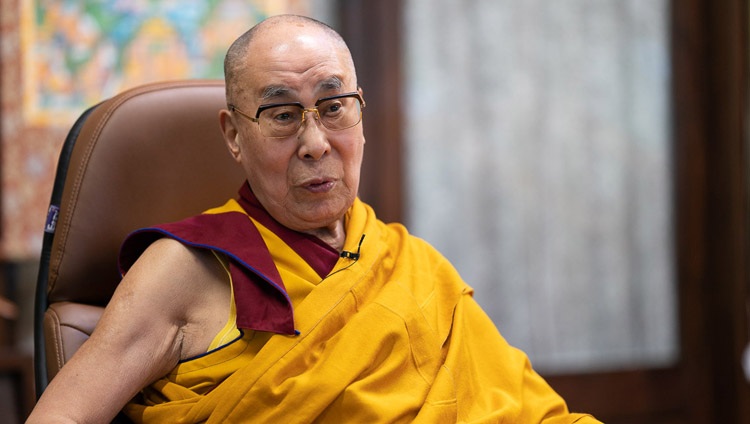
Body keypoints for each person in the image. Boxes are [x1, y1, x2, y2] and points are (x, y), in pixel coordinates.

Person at [28, 15, 600, 423]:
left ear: (360, 114)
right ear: (234, 135)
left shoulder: (406, 264)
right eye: (281, 114)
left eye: (333, 108)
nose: (315, 143)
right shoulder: (186, 268)